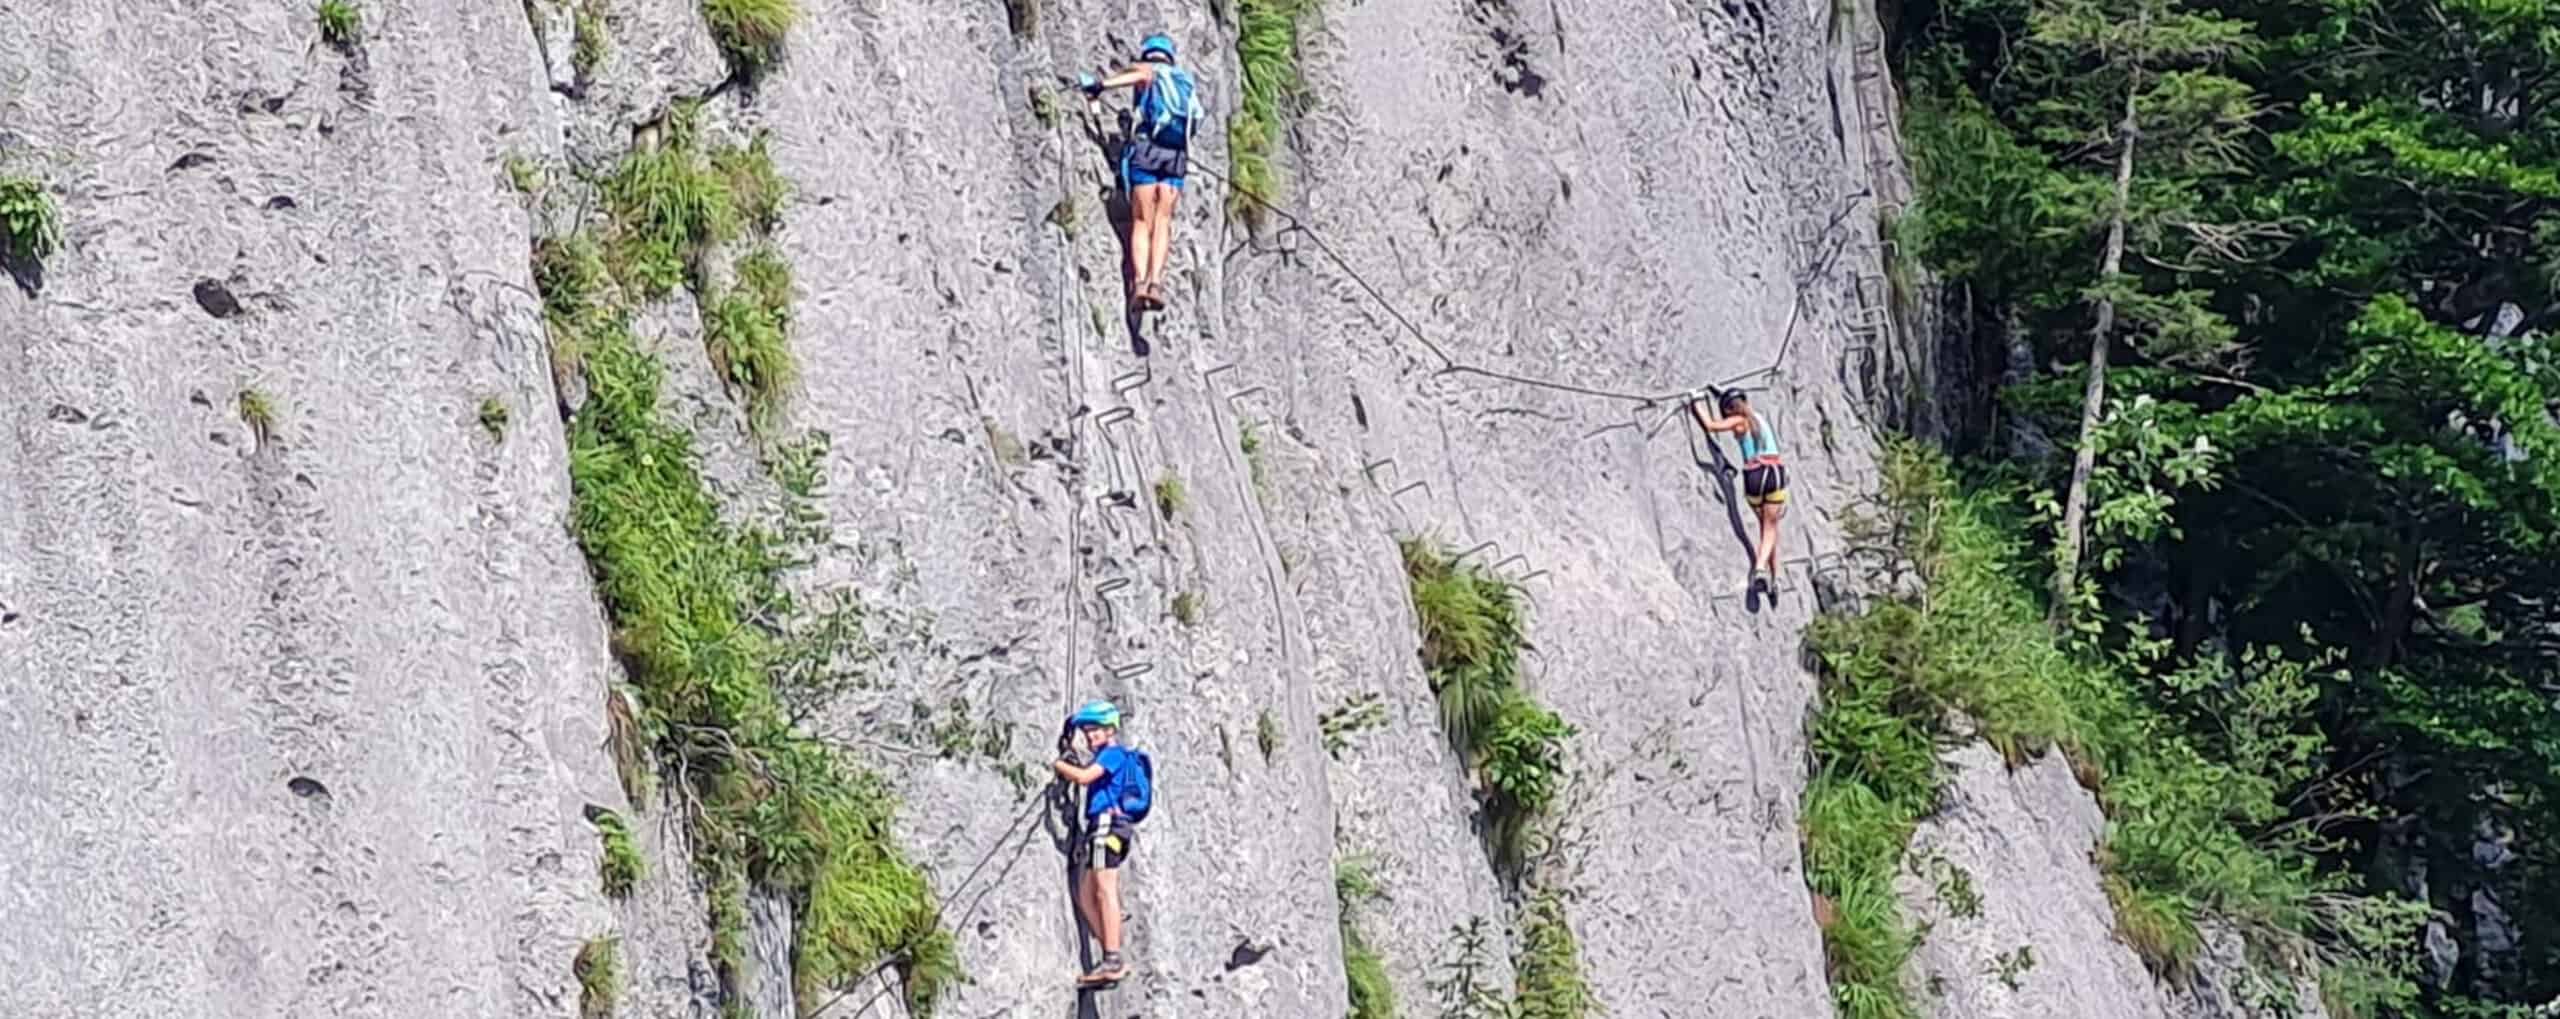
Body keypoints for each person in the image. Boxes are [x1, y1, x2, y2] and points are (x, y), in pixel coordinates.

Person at [1077, 33, 1201, 312]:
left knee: (1142, 221)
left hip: (1147, 152)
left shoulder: (1149, 70)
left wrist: (1099, 86)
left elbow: (1135, 76)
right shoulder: (1184, 81)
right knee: (1164, 221)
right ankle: (1157, 282)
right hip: (1176, 156)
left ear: (1149, 54)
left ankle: (1140, 283)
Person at [1052, 699, 1150, 987]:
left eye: (1096, 729)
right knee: (1085, 895)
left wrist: (1058, 764)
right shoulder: (1109, 757)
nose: (1091, 734)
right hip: (1109, 828)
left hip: (1106, 827)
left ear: (1110, 730)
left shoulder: (1112, 754)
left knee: (1104, 891)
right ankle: (1110, 947)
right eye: (1087, 730)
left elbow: (1084, 777)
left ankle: (1112, 957)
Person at [1691, 390, 1788, 598]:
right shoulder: (1758, 417)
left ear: (1728, 410)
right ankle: (1765, 571)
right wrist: (1721, 394)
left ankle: (1772, 575)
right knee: (1770, 528)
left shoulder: (1738, 421)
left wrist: (1695, 402)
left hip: (1752, 475)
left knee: (1766, 528)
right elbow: (1738, 405)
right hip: (1773, 472)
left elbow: (1710, 426)